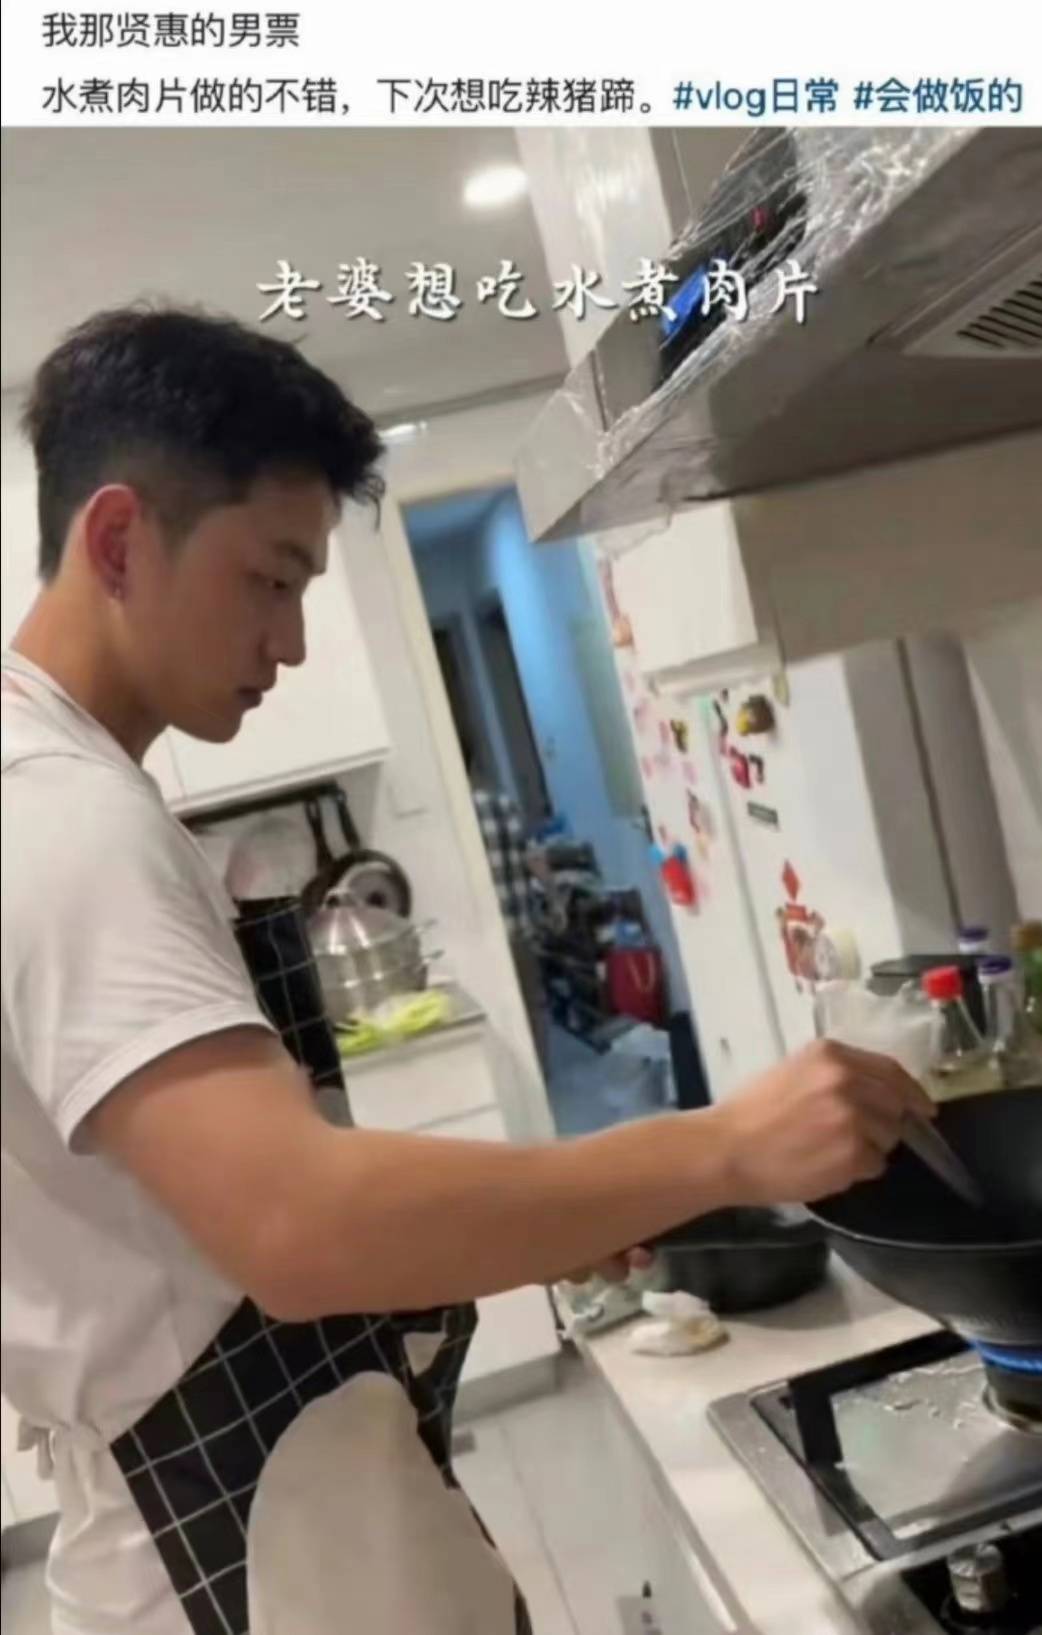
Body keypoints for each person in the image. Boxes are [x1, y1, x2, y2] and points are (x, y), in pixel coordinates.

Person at [1, 304, 935, 1635]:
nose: (293, 642)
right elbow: (299, 1227)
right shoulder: (60, 818)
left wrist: (568, 1197)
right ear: (116, 541)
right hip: (236, 1564)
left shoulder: (58, 789)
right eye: (270, 578)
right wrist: (727, 1146)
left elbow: (221, 1224)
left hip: (276, 1515)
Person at [465, 742, 551, 1071]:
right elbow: (535, 859)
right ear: (475, 763)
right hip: (518, 931)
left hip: (479, 941)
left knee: (497, 1018)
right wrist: (555, 899)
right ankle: (540, 1077)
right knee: (531, 1008)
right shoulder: (502, 804)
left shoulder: (451, 819)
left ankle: (513, 1081)